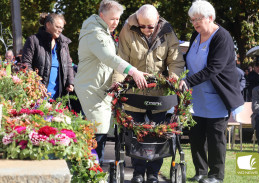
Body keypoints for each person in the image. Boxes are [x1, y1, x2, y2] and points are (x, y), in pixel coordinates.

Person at [112, 4, 185, 183]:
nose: (145, 29)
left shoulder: (168, 33)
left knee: (158, 134)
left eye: (150, 26)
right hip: (134, 93)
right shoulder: (127, 31)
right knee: (136, 135)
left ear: (157, 20)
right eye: (142, 25)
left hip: (159, 94)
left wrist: (173, 81)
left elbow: (175, 61)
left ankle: (153, 173)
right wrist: (117, 84)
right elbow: (120, 61)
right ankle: (137, 172)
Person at [74, 0, 147, 166]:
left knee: (100, 129)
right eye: (112, 19)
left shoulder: (102, 29)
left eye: (118, 19)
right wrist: (133, 71)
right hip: (91, 87)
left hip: (99, 87)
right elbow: (108, 57)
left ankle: (93, 168)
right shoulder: (95, 33)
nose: (116, 23)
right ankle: (92, 170)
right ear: (101, 16)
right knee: (97, 131)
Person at [179, 1, 244, 183]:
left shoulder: (222, 37)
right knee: (196, 136)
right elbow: (188, 58)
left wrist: (187, 81)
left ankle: (216, 175)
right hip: (196, 96)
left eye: (198, 19)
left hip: (217, 96)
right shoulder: (195, 35)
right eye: (192, 20)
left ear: (210, 18)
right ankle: (200, 171)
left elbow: (214, 67)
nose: (195, 23)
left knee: (215, 138)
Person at [22, 13, 74, 99]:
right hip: (38, 95)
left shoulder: (63, 44)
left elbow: (68, 64)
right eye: (57, 27)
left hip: (59, 96)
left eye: (61, 28)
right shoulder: (33, 40)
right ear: (48, 25)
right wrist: (37, 85)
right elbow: (26, 64)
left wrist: (70, 82)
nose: (60, 30)